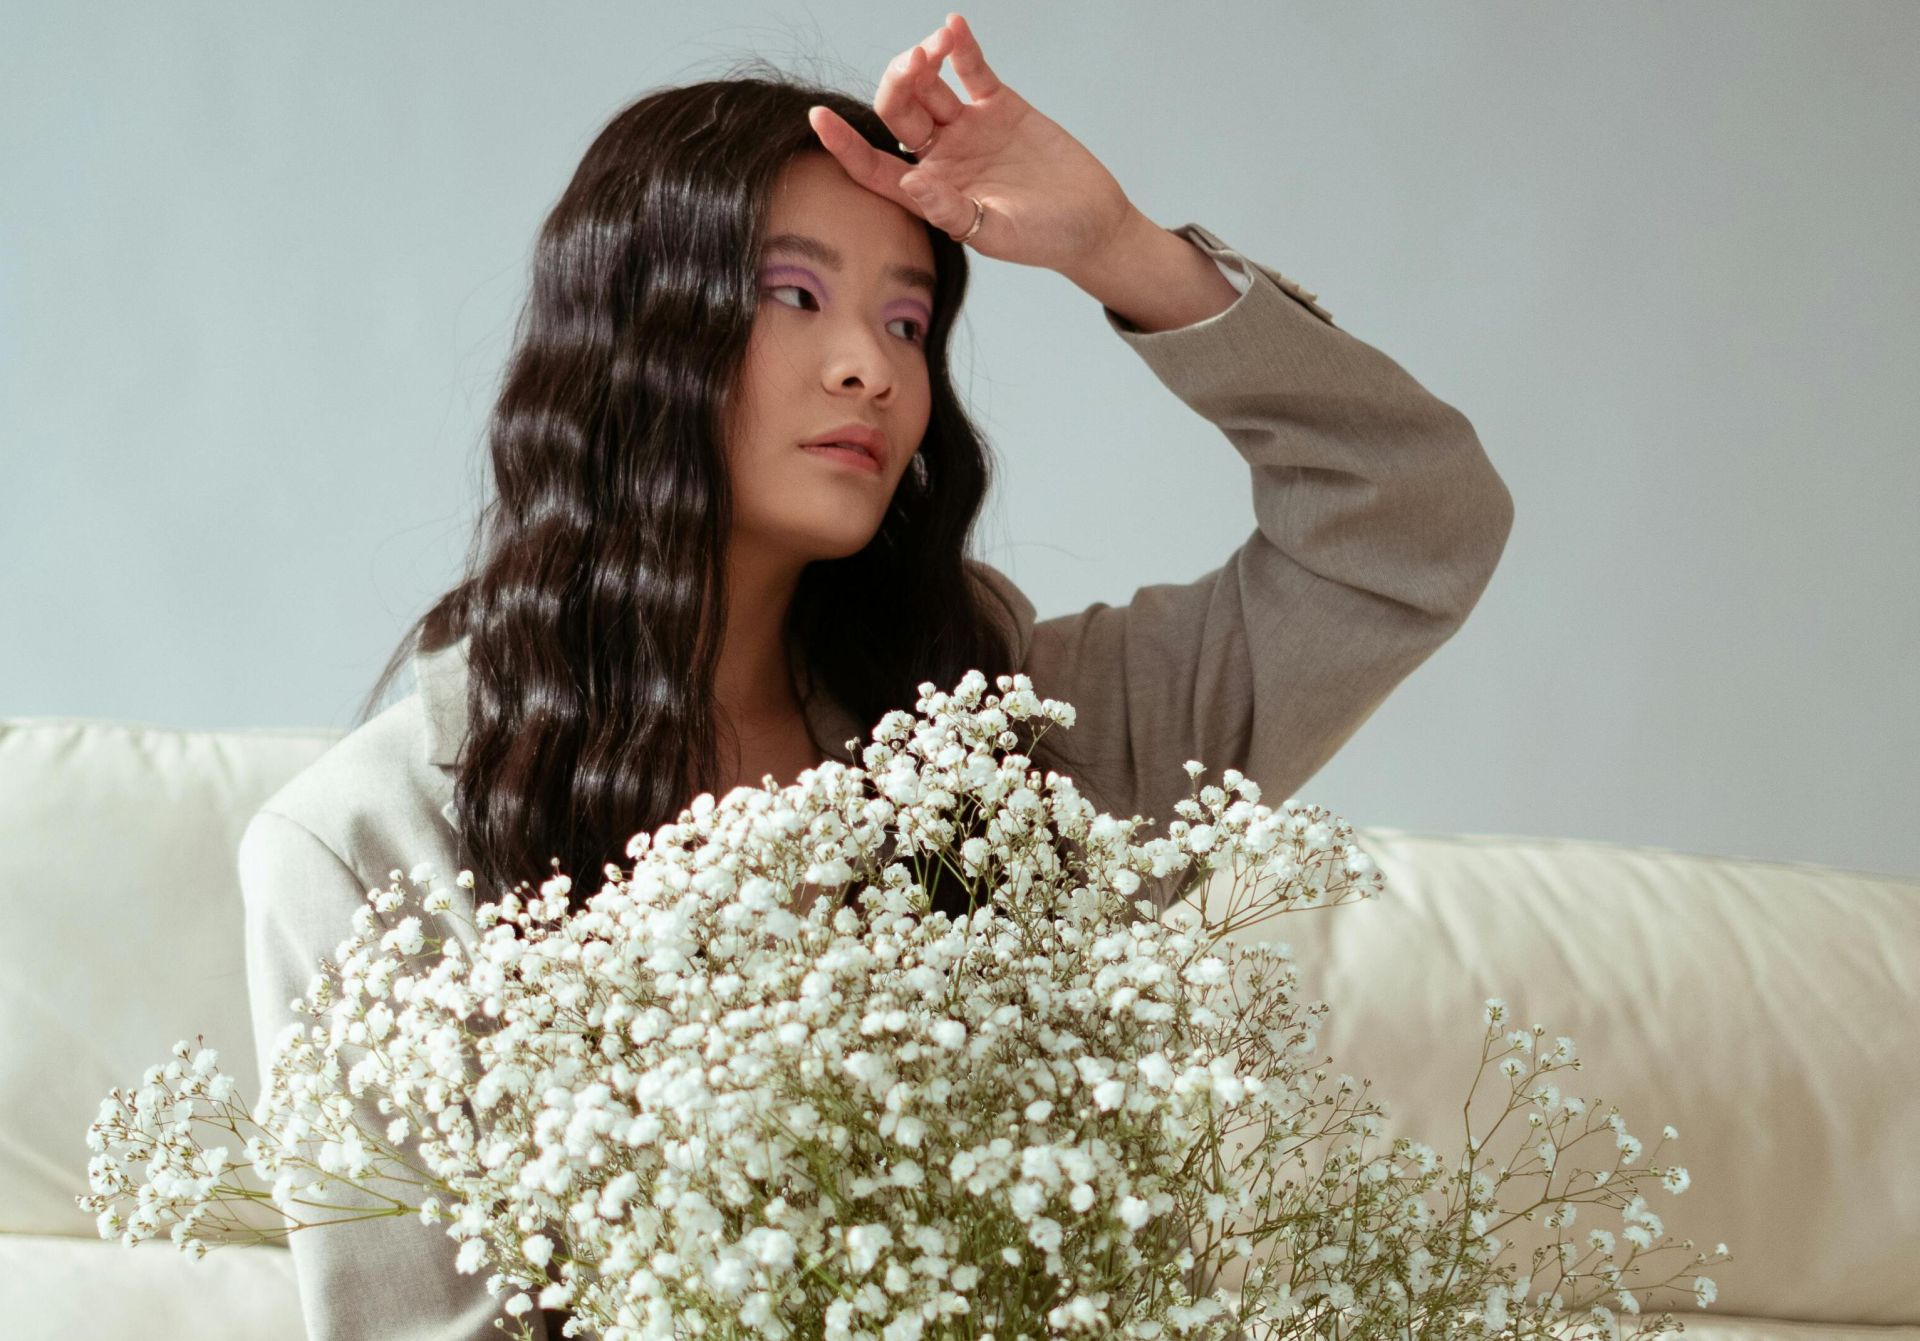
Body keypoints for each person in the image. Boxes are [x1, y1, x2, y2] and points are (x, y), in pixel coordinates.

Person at [238, 15, 1515, 1340]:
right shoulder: (363, 851)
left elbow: (1412, 523)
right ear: (633, 336)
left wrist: (1119, 250)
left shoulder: (1007, 746)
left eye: (906, 319)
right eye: (795, 296)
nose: (872, 366)